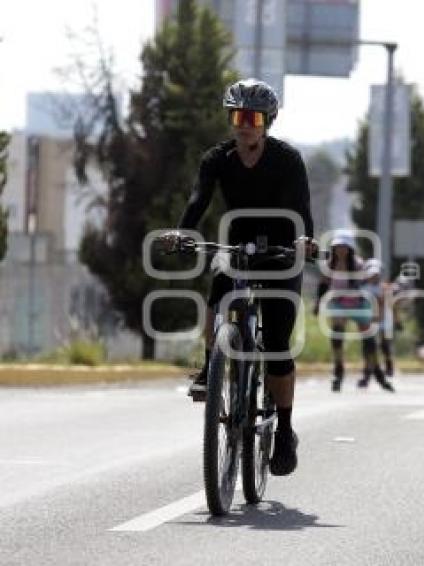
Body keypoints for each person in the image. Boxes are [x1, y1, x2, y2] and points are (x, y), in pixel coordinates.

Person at [159, 78, 315, 477]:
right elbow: (199, 199)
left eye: (252, 117)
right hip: (238, 248)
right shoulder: (217, 159)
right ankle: (212, 366)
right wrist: (182, 231)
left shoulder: (288, 160)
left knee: (278, 344)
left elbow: (301, 208)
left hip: (281, 253)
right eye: (237, 115)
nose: (243, 123)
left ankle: (283, 429)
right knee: (218, 296)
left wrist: (303, 241)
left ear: (267, 121)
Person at [315, 233, 394, 393]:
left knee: (369, 341)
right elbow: (323, 285)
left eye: (344, 247)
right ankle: (338, 371)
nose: (341, 250)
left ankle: (378, 373)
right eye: (338, 247)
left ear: (350, 249)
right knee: (337, 334)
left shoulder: (358, 264)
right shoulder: (329, 265)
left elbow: (370, 283)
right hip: (338, 302)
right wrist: (318, 303)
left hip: (358, 303)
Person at [359, 257, 398, 388]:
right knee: (368, 349)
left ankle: (388, 365)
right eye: (372, 274)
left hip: (383, 320)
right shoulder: (363, 288)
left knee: (384, 345)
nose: (374, 277)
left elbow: (388, 304)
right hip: (368, 321)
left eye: (376, 274)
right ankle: (367, 374)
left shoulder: (384, 287)